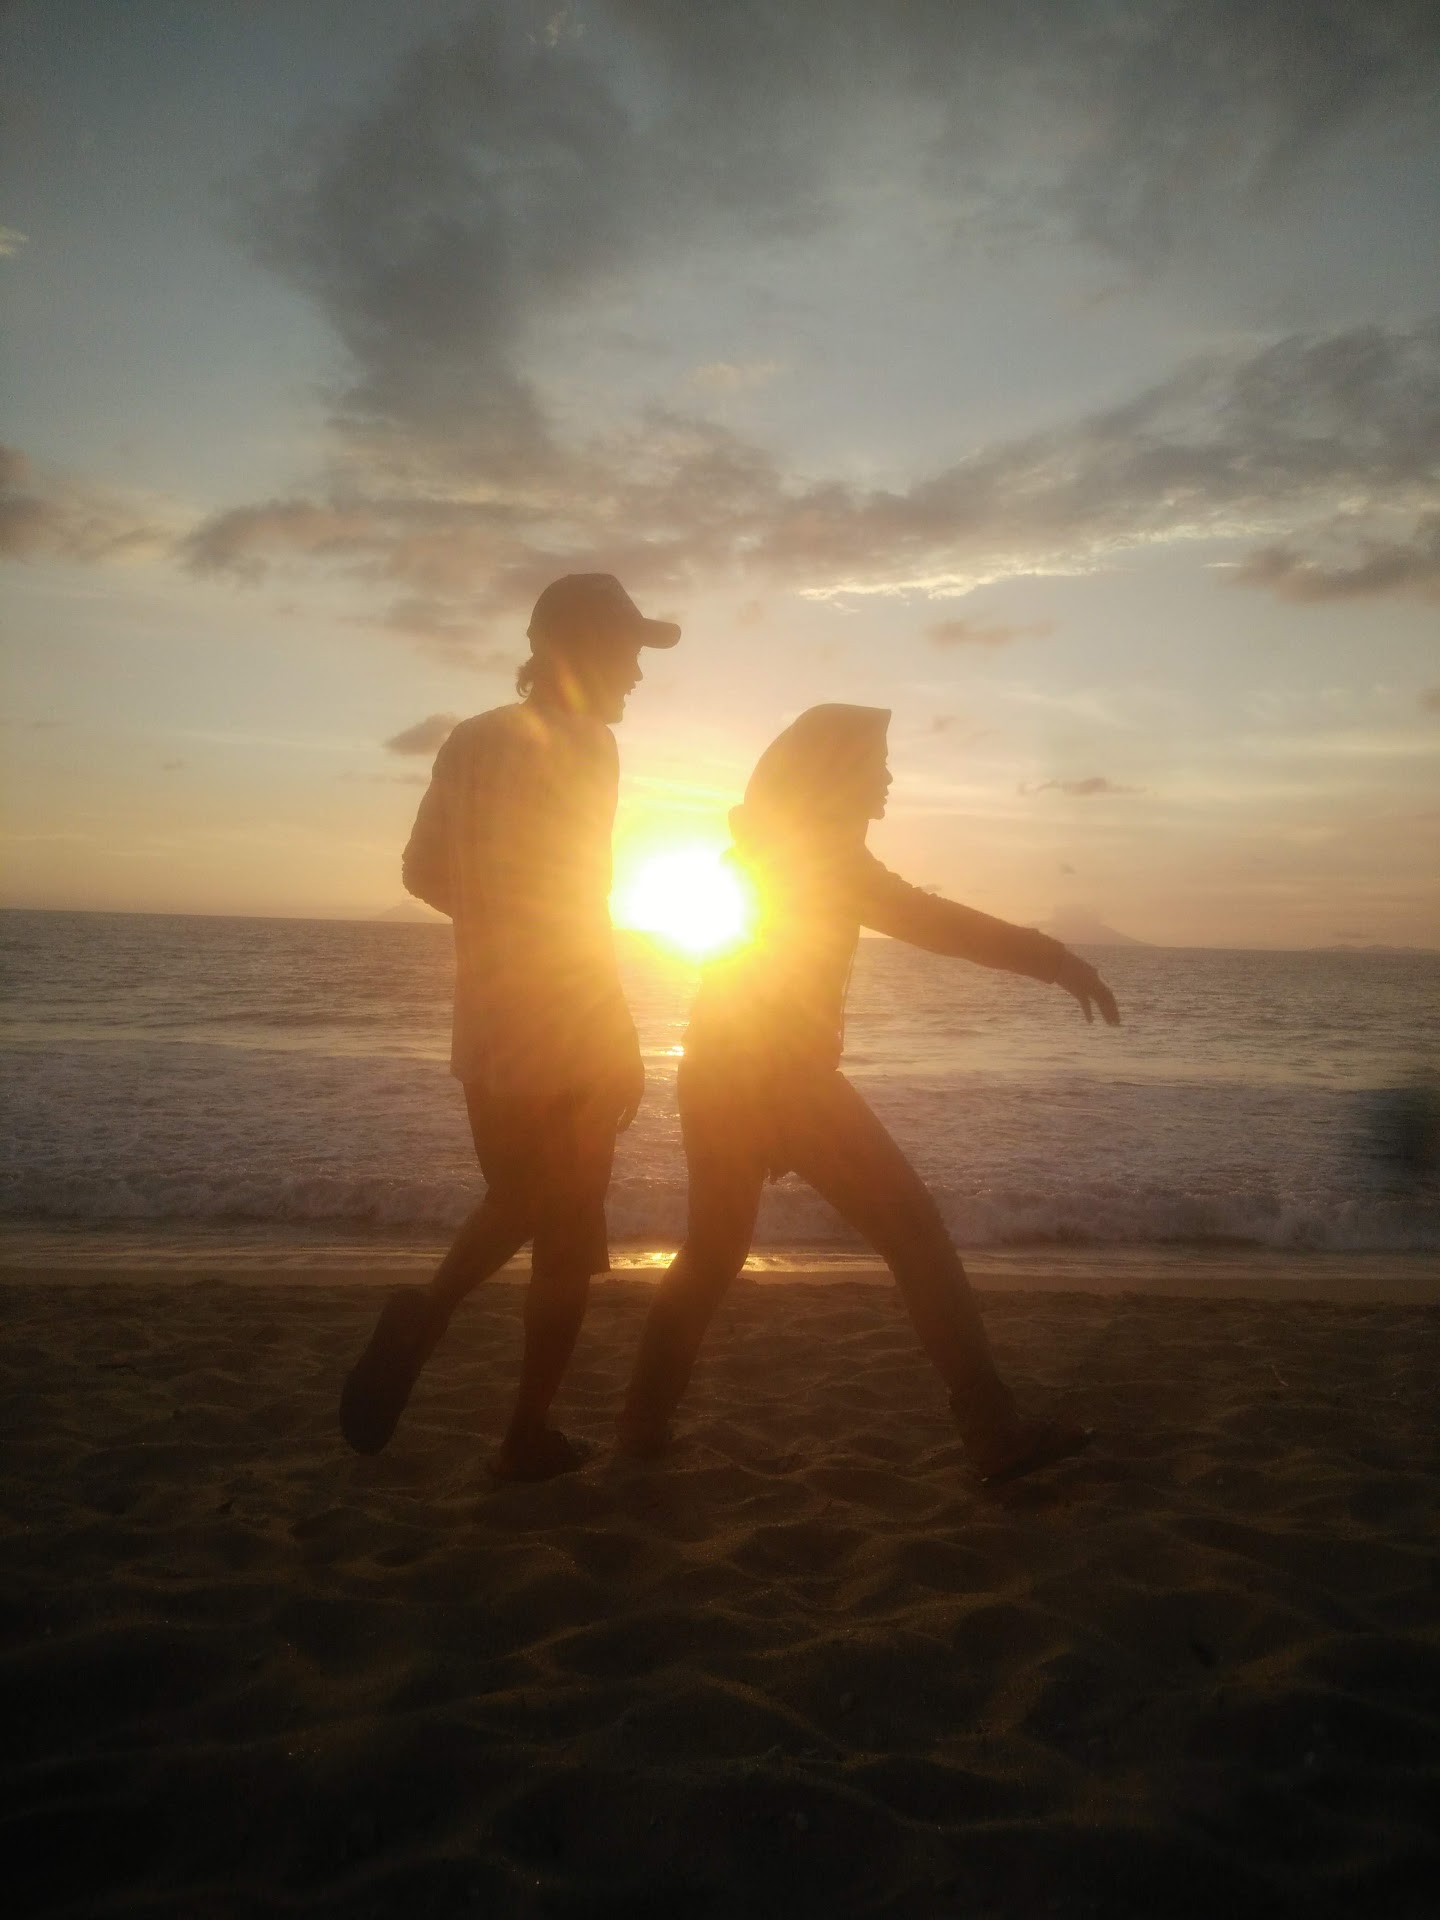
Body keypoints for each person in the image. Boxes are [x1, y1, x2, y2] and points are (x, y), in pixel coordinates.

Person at [618, 703, 1121, 1484]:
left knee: (713, 1254)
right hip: (777, 1077)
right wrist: (1053, 960)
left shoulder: (782, 847)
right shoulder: (821, 857)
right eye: (875, 763)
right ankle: (992, 1430)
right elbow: (935, 922)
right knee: (913, 1231)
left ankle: (639, 1429)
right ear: (837, 774)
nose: (887, 777)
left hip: (718, 1069)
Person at [340, 573, 680, 1479]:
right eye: (629, 652)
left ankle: (451, 1344)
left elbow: (420, 870)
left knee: (526, 1201)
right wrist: (618, 1031)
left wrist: (494, 927)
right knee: (562, 1238)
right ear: (582, 651)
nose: (638, 673)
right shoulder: (590, 746)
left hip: (485, 1026)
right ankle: (498, 1397)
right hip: (566, 1020)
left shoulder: (471, 738)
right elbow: (580, 903)